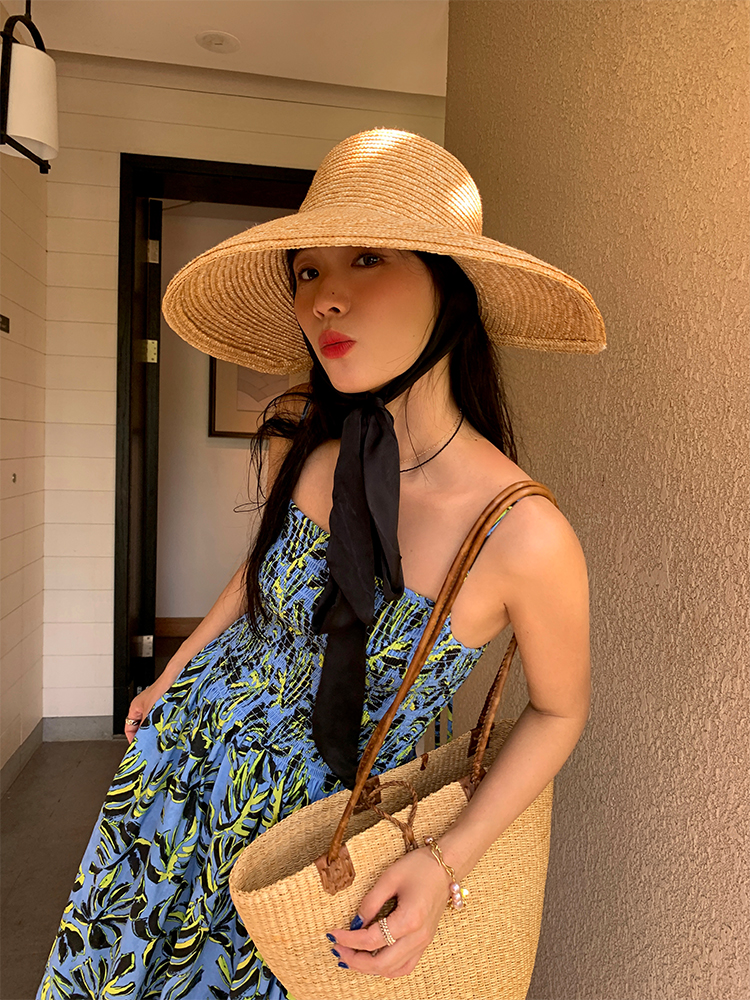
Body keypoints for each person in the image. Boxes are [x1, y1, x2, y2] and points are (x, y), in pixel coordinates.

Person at [38, 129, 604, 999]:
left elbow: (560, 710)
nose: (323, 300)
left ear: (450, 288)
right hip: (175, 783)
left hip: (311, 850)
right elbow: (255, 578)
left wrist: (446, 861)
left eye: (367, 259)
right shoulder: (323, 459)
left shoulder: (522, 536)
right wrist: (171, 677)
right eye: (307, 271)